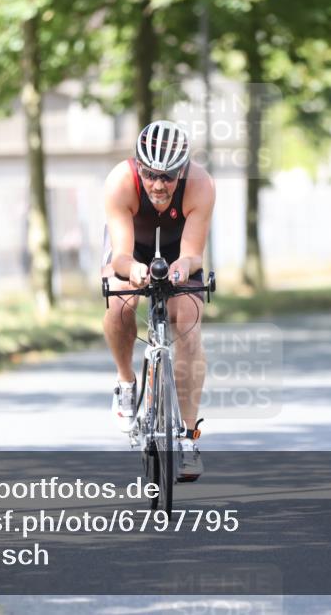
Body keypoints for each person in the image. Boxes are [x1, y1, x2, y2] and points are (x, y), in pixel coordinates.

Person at [101, 120, 215, 482]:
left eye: (168, 176)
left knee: (189, 325)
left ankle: (187, 437)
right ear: (138, 167)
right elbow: (119, 257)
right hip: (131, 249)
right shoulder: (120, 182)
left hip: (179, 252)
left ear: (182, 171)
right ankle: (126, 383)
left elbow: (193, 255)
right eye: (150, 174)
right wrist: (133, 269)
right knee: (120, 306)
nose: (158, 184)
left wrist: (182, 268)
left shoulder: (201, 185)